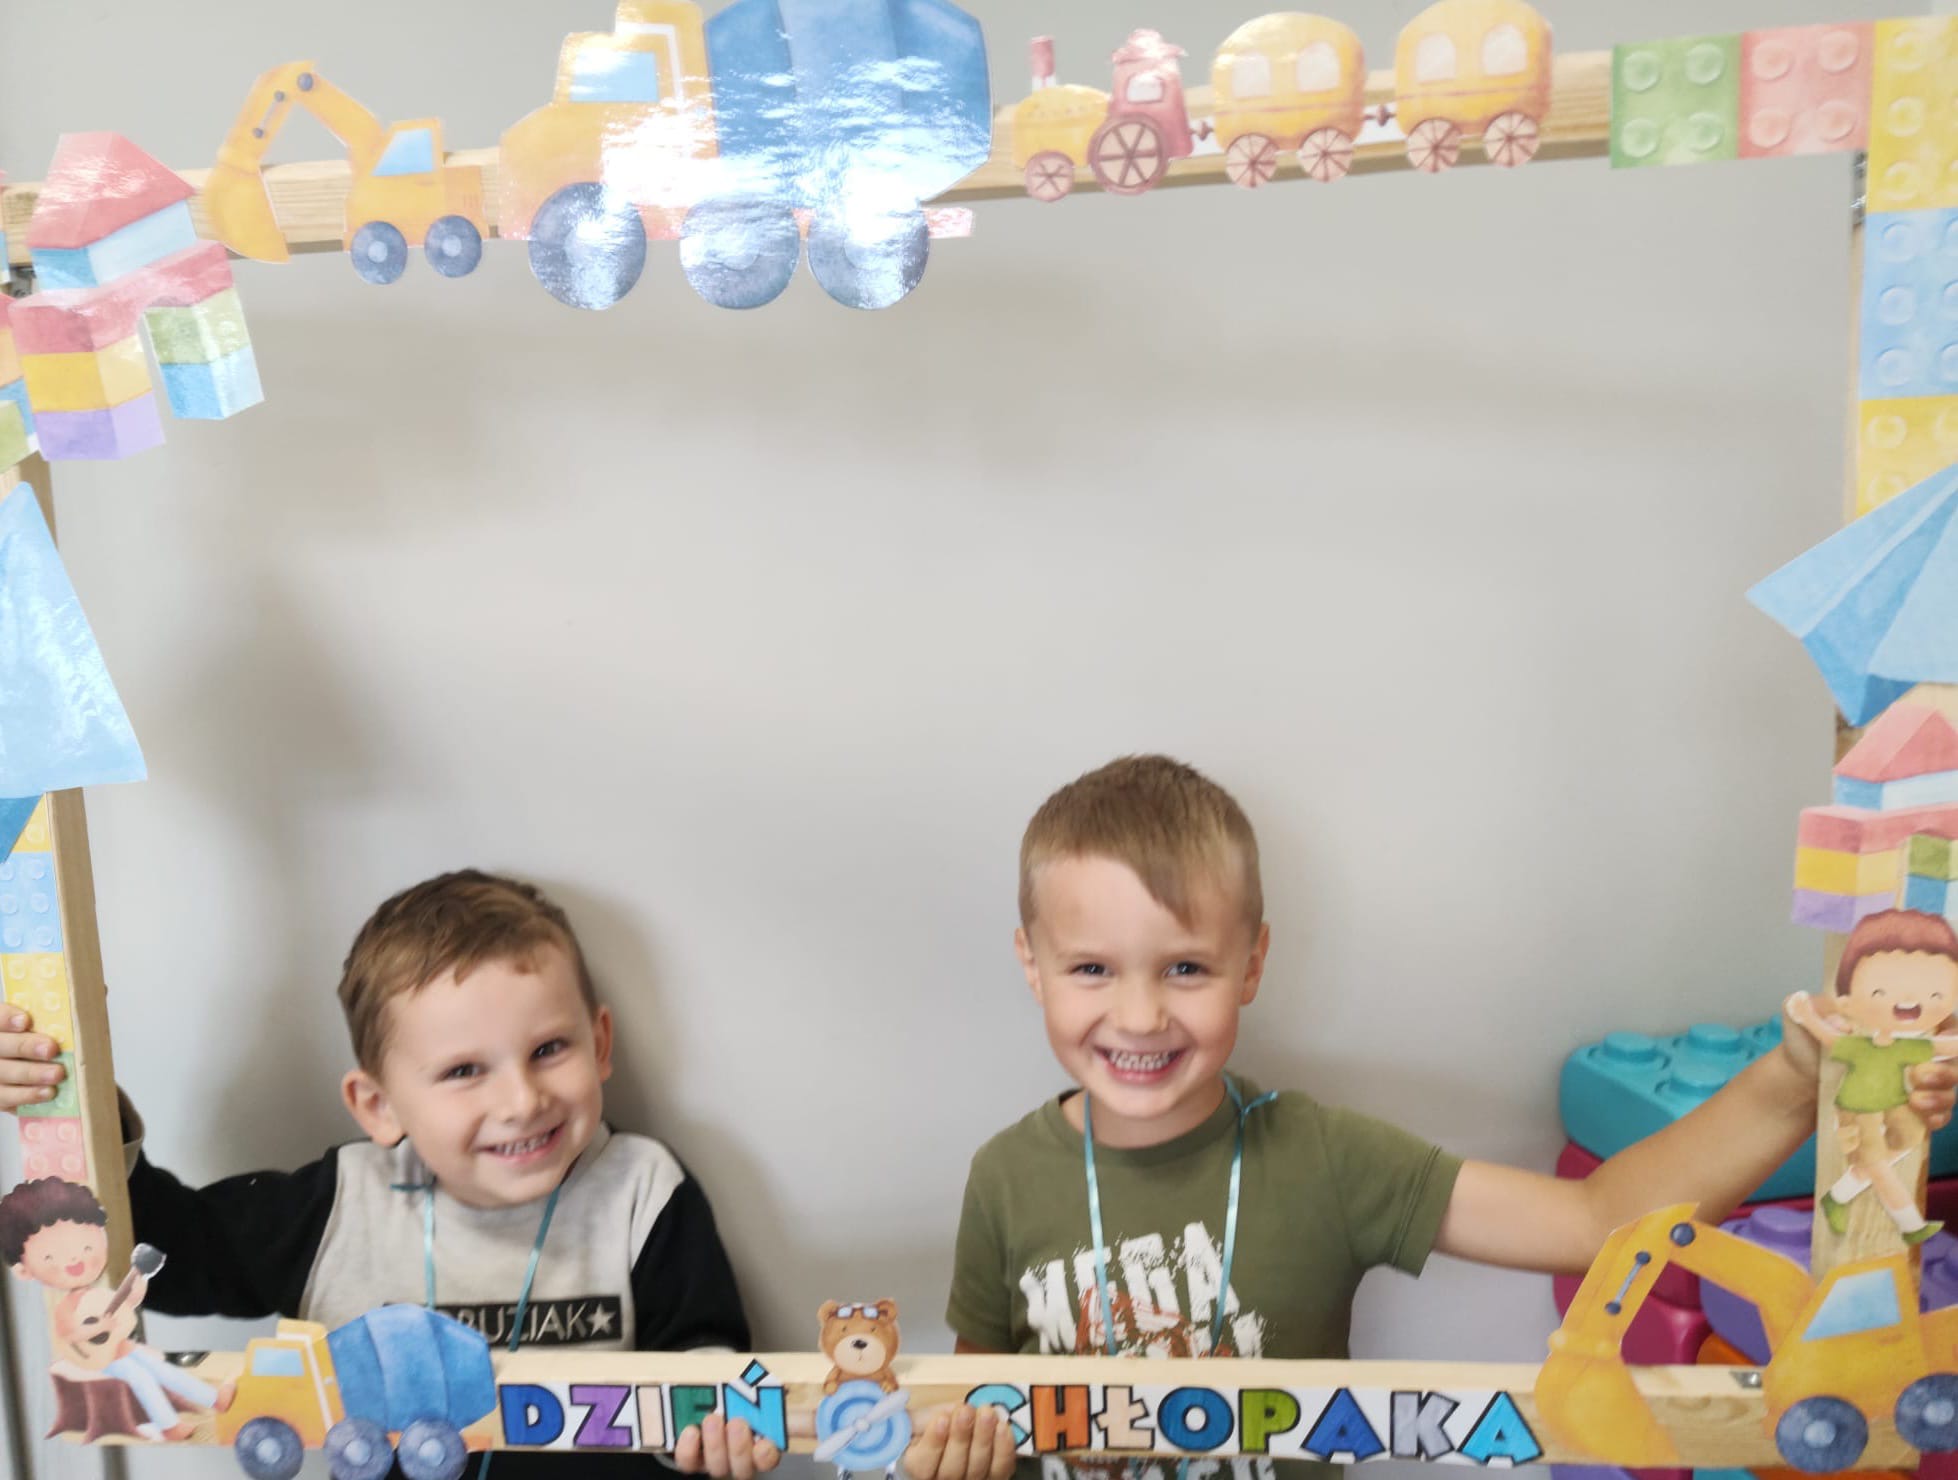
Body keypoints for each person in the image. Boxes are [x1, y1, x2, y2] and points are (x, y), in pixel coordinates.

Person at [903, 755, 1958, 1480]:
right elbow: (966, 1398)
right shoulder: (1005, 1177)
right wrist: (948, 1451)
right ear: (1031, 965)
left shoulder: (1320, 1156)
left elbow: (1596, 1220)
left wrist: (1791, 1079)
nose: (1139, 1015)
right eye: (1092, 968)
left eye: (1185, 967)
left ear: (1252, 964)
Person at [1, 869, 775, 1478]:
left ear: (599, 1044)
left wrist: (721, 1430)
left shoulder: (643, 1190)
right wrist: (72, 1099)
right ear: (377, 1105)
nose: (522, 1101)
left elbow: (709, 1362)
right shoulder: (341, 1205)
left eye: (549, 1050)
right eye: (465, 1070)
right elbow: (160, 1256)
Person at [0, 1176, 235, 1440]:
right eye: (49, 1256)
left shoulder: (98, 1294)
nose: (75, 1258)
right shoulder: (68, 1304)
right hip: (96, 1361)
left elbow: (127, 1305)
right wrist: (97, 1328)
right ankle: (169, 1426)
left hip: (122, 1350)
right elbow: (69, 1333)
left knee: (164, 1370)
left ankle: (215, 1399)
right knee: (141, 1378)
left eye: (86, 1246)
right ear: (23, 1270)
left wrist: (139, 1280)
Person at [1787, 908, 1958, 1242]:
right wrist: (1805, 1015)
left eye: (1935, 994)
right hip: (1857, 1109)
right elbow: (1827, 1037)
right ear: (1848, 1003)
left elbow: (1943, 1046)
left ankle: (1839, 1197)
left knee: (1906, 1140)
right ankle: (1911, 1225)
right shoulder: (1858, 1045)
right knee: (1878, 1166)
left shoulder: (1908, 1046)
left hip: (1895, 1104)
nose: (1909, 1000)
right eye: (1881, 991)